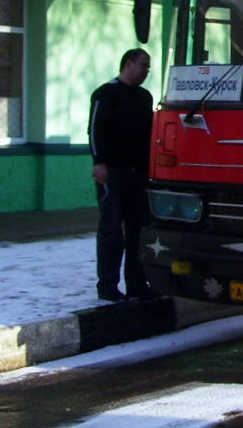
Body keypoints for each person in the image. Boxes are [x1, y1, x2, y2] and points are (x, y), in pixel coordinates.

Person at [88, 48, 155, 301]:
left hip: (139, 176)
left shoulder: (144, 97)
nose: (146, 71)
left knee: (138, 230)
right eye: (143, 65)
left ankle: (137, 283)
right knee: (111, 230)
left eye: (148, 67)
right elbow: (95, 130)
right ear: (128, 64)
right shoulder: (106, 94)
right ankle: (107, 285)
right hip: (112, 173)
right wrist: (99, 162)